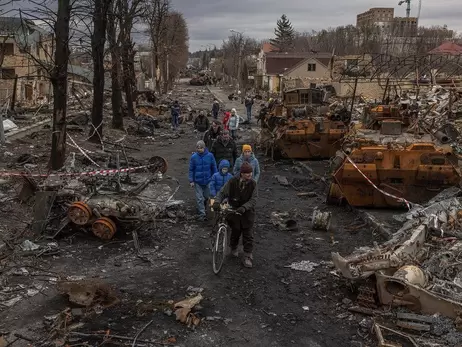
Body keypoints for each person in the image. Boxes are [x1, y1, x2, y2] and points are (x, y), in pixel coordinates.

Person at [213, 161, 257, 268]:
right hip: (234, 211)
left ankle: (247, 256)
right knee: (235, 231)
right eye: (247, 173)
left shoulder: (253, 184)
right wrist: (217, 201)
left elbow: (253, 200)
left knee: (248, 235)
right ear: (241, 173)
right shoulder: (232, 182)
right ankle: (233, 248)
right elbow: (222, 192)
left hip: (247, 213)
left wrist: (244, 207)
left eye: (251, 173)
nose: (250, 175)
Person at [188, 140, 217, 221]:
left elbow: (214, 167)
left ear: (204, 148)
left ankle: (207, 209)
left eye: (200, 148)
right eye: (197, 148)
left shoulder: (210, 156)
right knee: (199, 198)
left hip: (208, 180)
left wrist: (215, 178)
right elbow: (191, 169)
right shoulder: (194, 157)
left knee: (207, 197)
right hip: (198, 181)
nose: (199, 149)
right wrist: (191, 180)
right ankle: (202, 214)